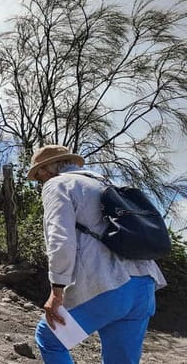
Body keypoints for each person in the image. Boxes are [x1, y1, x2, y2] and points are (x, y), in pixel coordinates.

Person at [27, 145, 166, 363]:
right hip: (144, 285)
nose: (40, 181)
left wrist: (57, 289)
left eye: (38, 176)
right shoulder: (106, 182)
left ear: (46, 170)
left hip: (108, 286)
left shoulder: (58, 184)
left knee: (51, 338)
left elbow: (60, 238)